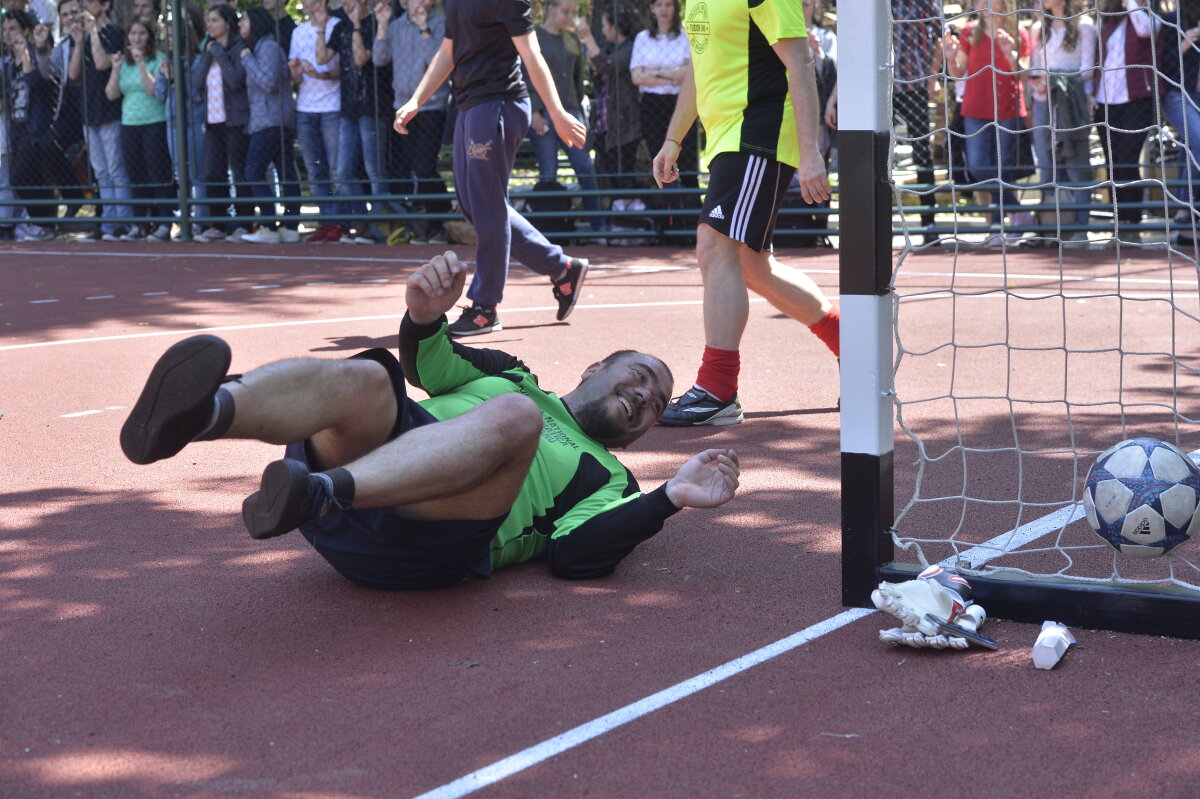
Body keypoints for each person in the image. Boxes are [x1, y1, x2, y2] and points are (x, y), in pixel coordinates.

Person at [119, 252, 741, 590]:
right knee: (370, 374)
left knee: (516, 419)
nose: (645, 397)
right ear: (594, 366)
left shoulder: (611, 482)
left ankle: (318, 492)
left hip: (426, 544)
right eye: (638, 376)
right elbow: (426, 362)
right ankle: (200, 416)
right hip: (357, 483)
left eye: (659, 402)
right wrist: (421, 315)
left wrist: (668, 500)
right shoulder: (511, 373)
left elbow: (574, 558)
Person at [651, 0, 839, 426]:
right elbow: (700, 71)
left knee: (713, 248)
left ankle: (718, 389)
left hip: (760, 131)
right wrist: (673, 139)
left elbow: (800, 63)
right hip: (725, 138)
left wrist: (810, 153)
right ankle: (851, 342)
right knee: (751, 266)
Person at [393, 0, 590, 338]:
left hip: (499, 103)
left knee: (487, 207)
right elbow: (448, 51)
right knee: (475, 206)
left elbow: (531, 54)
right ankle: (562, 268)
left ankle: (486, 307)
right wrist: (416, 99)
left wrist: (556, 113)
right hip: (469, 106)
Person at [945, 0, 1033, 246]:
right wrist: (951, 58)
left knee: (1002, 169)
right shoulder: (970, 31)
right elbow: (958, 72)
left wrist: (1010, 53)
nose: (983, 4)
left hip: (1008, 108)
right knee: (978, 167)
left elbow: (1025, 74)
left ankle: (998, 227)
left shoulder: (1018, 32)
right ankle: (1019, 213)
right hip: (975, 108)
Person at [373, 0, 453, 245]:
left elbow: (439, 62)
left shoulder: (440, 24)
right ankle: (433, 218)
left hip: (431, 106)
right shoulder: (396, 25)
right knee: (411, 167)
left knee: (424, 166)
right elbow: (379, 58)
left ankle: (435, 223)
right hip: (402, 106)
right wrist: (383, 25)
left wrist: (423, 29)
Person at [524, 0, 603, 232]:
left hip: (570, 110)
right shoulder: (534, 36)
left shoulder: (572, 39)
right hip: (543, 112)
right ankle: (550, 226)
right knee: (548, 170)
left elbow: (577, 79)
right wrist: (534, 111)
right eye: (565, 12)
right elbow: (526, 75)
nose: (569, 17)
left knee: (584, 166)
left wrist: (578, 109)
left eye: (572, 13)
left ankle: (598, 225)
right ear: (552, 9)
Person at [318, 0, 390, 244]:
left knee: (374, 171)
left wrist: (358, 25)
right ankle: (363, 225)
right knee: (343, 172)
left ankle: (380, 227)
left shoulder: (373, 24)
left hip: (372, 108)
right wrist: (320, 27)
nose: (348, 6)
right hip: (348, 110)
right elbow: (321, 58)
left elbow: (361, 58)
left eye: (353, 2)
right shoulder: (339, 27)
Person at [1028, 0, 1097, 247]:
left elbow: (1088, 68)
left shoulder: (1084, 25)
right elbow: (1035, 66)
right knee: (1046, 164)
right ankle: (1049, 229)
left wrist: (1054, 78)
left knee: (1075, 163)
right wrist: (1037, 81)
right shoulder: (1039, 27)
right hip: (1043, 102)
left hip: (1071, 103)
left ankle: (1080, 230)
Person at [1093, 0, 1159, 246]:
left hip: (1136, 101)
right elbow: (1098, 59)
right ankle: (1119, 225)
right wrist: (1091, 95)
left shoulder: (1152, 20)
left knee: (1127, 160)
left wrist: (1132, 4)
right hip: (1105, 102)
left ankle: (1134, 224)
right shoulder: (1108, 23)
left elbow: (1144, 29)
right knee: (1113, 164)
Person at [631, 0, 698, 232]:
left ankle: (692, 223)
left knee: (688, 162)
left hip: (680, 102)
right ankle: (666, 225)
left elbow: (689, 75)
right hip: (652, 104)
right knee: (660, 163)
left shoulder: (684, 37)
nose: (664, 9)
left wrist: (654, 73)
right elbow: (636, 77)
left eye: (668, 4)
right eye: (658, 4)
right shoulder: (642, 38)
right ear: (651, 8)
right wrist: (672, 73)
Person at [106, 18, 174, 242]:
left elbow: (153, 90)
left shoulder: (159, 59)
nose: (136, 38)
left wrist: (142, 63)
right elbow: (111, 94)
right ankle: (138, 225)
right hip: (129, 124)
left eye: (141, 34)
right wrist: (115, 70)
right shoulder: (124, 62)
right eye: (133, 33)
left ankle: (164, 224)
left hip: (154, 123)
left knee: (157, 174)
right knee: (135, 176)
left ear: (149, 37)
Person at [239, 5, 303, 243]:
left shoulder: (267, 47)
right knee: (286, 173)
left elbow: (269, 83)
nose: (239, 24)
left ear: (255, 22)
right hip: (272, 119)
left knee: (253, 170)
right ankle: (289, 227)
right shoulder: (262, 48)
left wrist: (247, 60)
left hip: (271, 121)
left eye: (243, 19)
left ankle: (270, 226)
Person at [191, 2, 254, 241]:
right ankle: (219, 223)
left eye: (215, 21)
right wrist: (209, 54)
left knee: (239, 173)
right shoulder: (209, 50)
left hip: (235, 121)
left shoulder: (239, 48)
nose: (210, 25)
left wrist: (218, 53)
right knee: (211, 173)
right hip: (212, 122)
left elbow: (236, 80)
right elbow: (197, 84)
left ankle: (244, 224)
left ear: (227, 23)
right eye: (208, 21)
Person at [72, 0, 133, 241]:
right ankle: (108, 223)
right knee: (100, 172)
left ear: (105, 5)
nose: (85, 6)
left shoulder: (114, 33)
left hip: (110, 111)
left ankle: (125, 222)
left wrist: (94, 32)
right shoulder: (85, 35)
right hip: (89, 113)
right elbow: (73, 74)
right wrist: (79, 42)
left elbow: (101, 63)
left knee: (117, 169)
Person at [3, 10, 61, 241]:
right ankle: (44, 223)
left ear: (25, 30)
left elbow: (36, 83)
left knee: (20, 178)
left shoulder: (35, 55)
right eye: (5, 30)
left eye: (13, 29)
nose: (8, 34)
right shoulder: (8, 64)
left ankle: (42, 221)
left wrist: (24, 53)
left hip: (35, 126)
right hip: (16, 126)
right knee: (30, 178)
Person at [290, 0, 345, 243]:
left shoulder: (338, 26)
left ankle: (340, 223)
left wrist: (318, 71)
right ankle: (325, 221)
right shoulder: (298, 31)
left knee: (335, 168)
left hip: (332, 106)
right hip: (305, 108)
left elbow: (338, 67)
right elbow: (295, 76)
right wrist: (296, 71)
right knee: (315, 170)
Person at [890, 0, 944, 244]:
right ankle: (877, 222)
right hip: (885, 86)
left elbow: (941, 37)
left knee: (923, 154)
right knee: (878, 153)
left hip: (916, 84)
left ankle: (929, 223)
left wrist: (933, 76)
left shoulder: (927, 3)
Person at [577, 6, 642, 201]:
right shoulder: (610, 49)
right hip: (604, 123)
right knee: (611, 176)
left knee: (624, 176)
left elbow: (606, 65)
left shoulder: (630, 48)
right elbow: (599, 69)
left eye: (605, 25)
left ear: (616, 27)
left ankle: (635, 217)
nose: (603, 30)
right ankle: (619, 219)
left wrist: (588, 37)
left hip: (624, 123)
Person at [1156, 0, 1200, 244]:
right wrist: (1186, 43)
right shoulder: (1172, 20)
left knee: (1191, 149)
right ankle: (1186, 209)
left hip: (1198, 94)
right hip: (1176, 93)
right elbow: (1161, 64)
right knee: (1198, 142)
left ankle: (1185, 225)